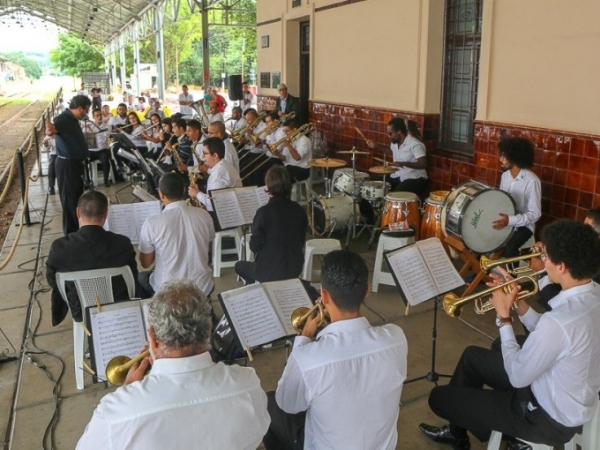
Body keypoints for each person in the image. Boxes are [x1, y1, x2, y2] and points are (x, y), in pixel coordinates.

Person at [420, 219, 600, 450]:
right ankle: (460, 432)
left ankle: (502, 430)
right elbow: (557, 337)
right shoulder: (594, 294)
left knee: (439, 398)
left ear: (562, 267)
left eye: (546, 257)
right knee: (472, 357)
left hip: (544, 417)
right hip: (563, 394)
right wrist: (519, 304)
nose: (542, 261)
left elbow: (517, 376)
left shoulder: (559, 322)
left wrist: (503, 317)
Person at [76, 279, 270, 450]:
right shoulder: (248, 383)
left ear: (152, 337)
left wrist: (127, 390)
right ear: (209, 329)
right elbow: (258, 432)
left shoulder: (115, 412)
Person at [264, 250, 408, 450]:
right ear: (367, 290)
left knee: (269, 403)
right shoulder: (397, 338)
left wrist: (304, 340)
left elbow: (288, 404)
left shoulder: (307, 358)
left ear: (323, 295)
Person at [46, 190, 140, 326]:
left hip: (81, 312)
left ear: (78, 213)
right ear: (106, 214)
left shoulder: (59, 247)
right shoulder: (122, 243)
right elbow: (133, 277)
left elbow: (53, 282)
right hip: (119, 307)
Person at [138, 173, 215, 298]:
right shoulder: (204, 215)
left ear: (161, 194)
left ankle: (157, 313)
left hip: (169, 291)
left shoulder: (152, 223)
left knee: (141, 277)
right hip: (202, 287)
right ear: (184, 190)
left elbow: (145, 263)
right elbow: (208, 248)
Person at [235, 165, 307, 285]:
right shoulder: (299, 209)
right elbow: (301, 240)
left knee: (239, 266)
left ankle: (257, 290)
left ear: (268, 187)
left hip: (268, 272)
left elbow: (254, 247)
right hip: (294, 268)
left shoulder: (263, 213)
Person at [45, 94, 91, 235]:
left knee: (77, 200)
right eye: (86, 110)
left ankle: (77, 231)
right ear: (79, 108)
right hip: (67, 166)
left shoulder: (72, 119)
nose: (87, 113)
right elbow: (52, 130)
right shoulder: (63, 119)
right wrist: (49, 130)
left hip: (75, 165)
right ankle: (70, 235)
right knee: (70, 203)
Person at [492, 137, 542, 258]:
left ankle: (512, 276)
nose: (501, 159)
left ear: (515, 157)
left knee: (510, 247)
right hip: (506, 221)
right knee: (482, 235)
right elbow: (502, 201)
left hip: (524, 226)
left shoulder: (532, 181)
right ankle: (482, 273)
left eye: (504, 156)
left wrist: (511, 220)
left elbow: (535, 214)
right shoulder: (505, 176)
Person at [367, 117, 428, 196]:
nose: (389, 136)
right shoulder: (395, 142)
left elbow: (423, 163)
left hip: (415, 178)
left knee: (394, 196)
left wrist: (403, 163)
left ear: (399, 132)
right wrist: (376, 145)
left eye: (390, 133)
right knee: (372, 186)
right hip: (398, 175)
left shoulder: (415, 144)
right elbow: (391, 151)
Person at [188, 136, 242, 216]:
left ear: (215, 156)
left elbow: (213, 201)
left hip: (222, 215)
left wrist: (197, 194)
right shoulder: (224, 165)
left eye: (205, 154)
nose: (202, 157)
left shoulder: (218, 174)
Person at [83, 108, 113, 187]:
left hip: (102, 149)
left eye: (100, 115)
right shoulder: (89, 125)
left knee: (105, 160)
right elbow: (83, 137)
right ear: (93, 117)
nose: (99, 117)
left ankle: (106, 180)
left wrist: (91, 132)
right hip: (91, 150)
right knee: (83, 160)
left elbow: (104, 139)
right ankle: (88, 181)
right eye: (97, 115)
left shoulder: (107, 126)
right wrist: (85, 129)